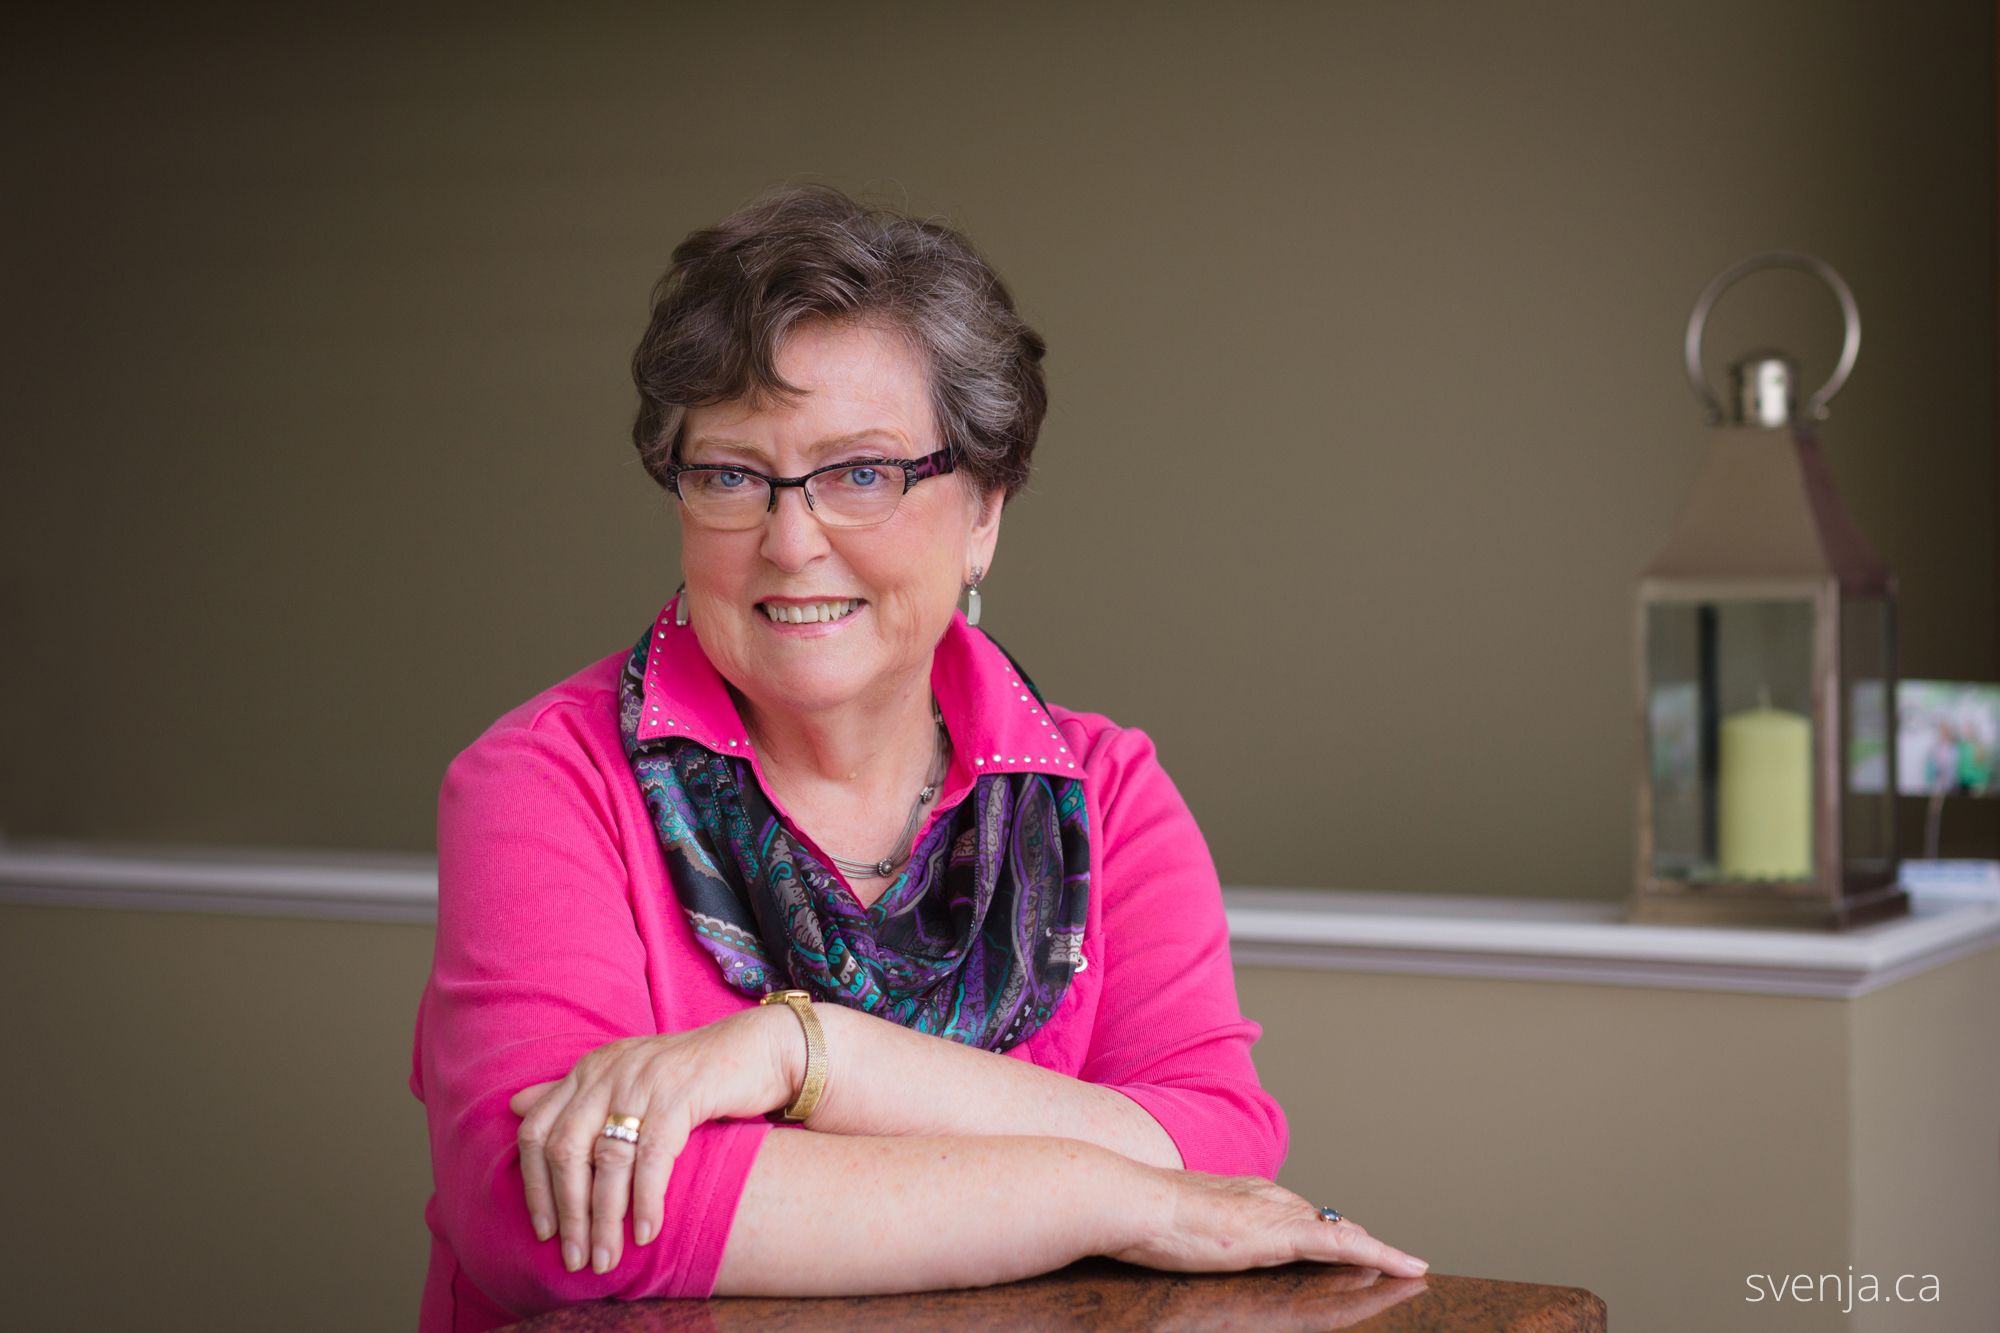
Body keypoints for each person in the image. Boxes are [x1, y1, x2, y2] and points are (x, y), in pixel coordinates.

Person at [409, 184, 1428, 1330]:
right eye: (732, 475)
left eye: (861, 472)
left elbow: (1215, 1140)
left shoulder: (1106, 791)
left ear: (983, 507)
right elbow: (550, 1222)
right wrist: (1102, 1192)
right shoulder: (545, 781)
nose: (790, 543)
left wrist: (808, 1055)